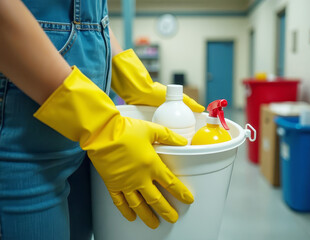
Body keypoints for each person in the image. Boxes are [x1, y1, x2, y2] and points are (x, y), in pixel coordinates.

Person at [0, 0, 205, 239]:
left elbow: (91, 14)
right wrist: (102, 127)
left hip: (84, 146)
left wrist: (129, 78)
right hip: (25, 141)